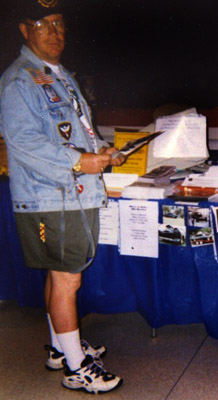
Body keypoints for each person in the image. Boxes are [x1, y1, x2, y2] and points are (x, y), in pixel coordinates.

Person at [0, 1, 124, 394]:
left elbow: (78, 129)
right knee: (67, 279)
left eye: (59, 24)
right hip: (50, 194)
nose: (55, 33)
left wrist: (104, 150)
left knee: (61, 275)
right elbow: (24, 144)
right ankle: (77, 366)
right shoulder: (19, 80)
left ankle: (60, 347)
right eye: (43, 24)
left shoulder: (57, 74)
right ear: (24, 29)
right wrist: (80, 162)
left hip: (72, 192)